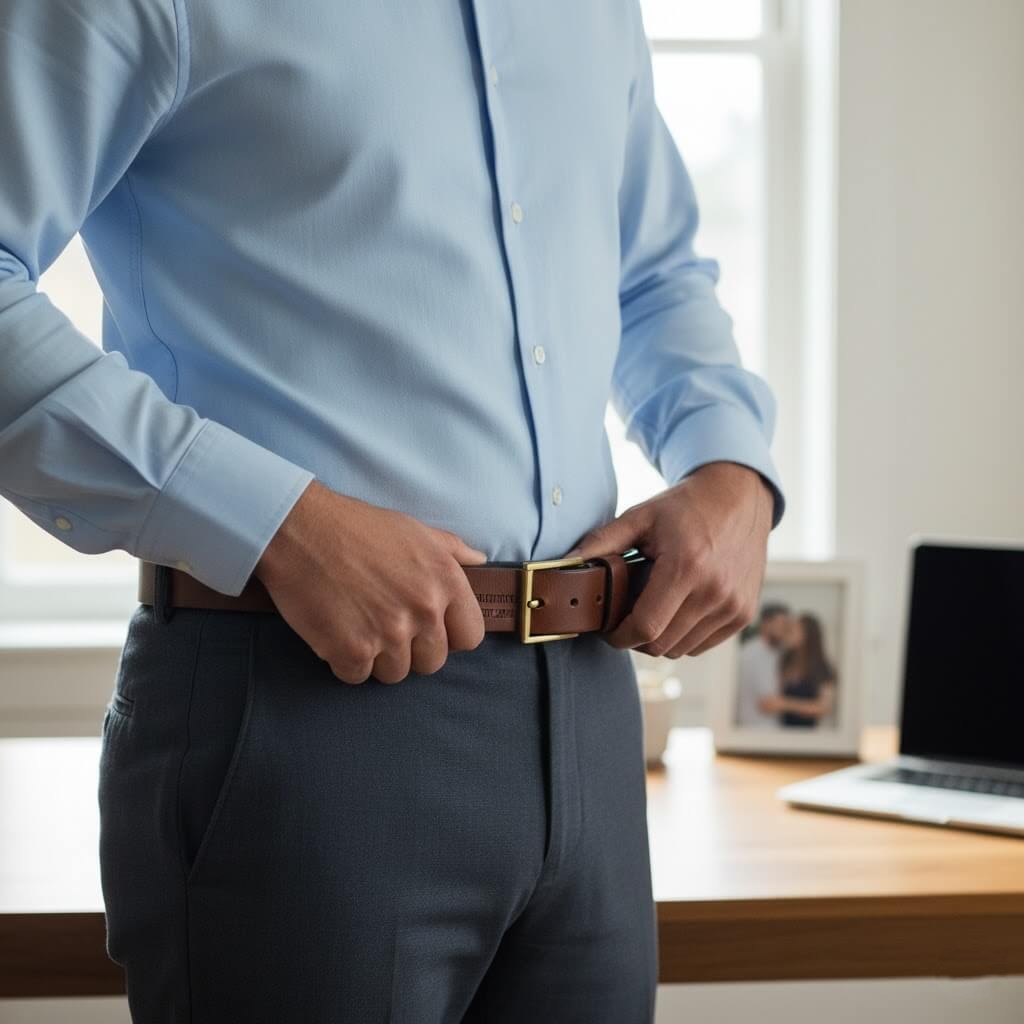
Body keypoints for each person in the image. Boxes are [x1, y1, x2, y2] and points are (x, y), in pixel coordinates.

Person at [0, 2, 785, 1020]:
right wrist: (273, 518)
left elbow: (652, 271)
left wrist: (729, 466)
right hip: (300, 714)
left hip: (593, 715)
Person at [760, 614, 838, 728]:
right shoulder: (785, 661)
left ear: (808, 636)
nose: (788, 634)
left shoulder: (823, 668)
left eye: (793, 630)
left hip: (805, 736)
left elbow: (824, 708)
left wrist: (784, 704)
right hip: (780, 731)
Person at [735, 603, 792, 728]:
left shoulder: (781, 652)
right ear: (766, 623)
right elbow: (768, 703)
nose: (785, 629)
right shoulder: (751, 653)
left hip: (773, 731)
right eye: (781, 624)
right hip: (753, 730)